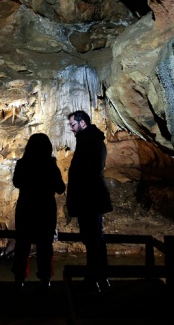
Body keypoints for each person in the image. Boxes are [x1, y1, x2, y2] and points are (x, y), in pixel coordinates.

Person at [11, 133, 66, 290]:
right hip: (45, 209)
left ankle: (19, 279)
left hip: (26, 208)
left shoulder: (22, 164)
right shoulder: (50, 165)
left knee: (22, 245)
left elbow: (16, 182)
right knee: (45, 246)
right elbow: (60, 188)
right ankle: (45, 279)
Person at [66, 110, 113, 292]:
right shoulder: (91, 140)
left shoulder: (89, 141)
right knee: (94, 238)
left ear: (82, 123)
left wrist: (78, 197)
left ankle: (96, 279)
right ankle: (99, 277)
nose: (71, 129)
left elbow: (86, 172)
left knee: (93, 238)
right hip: (91, 196)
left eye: (73, 124)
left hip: (89, 197)